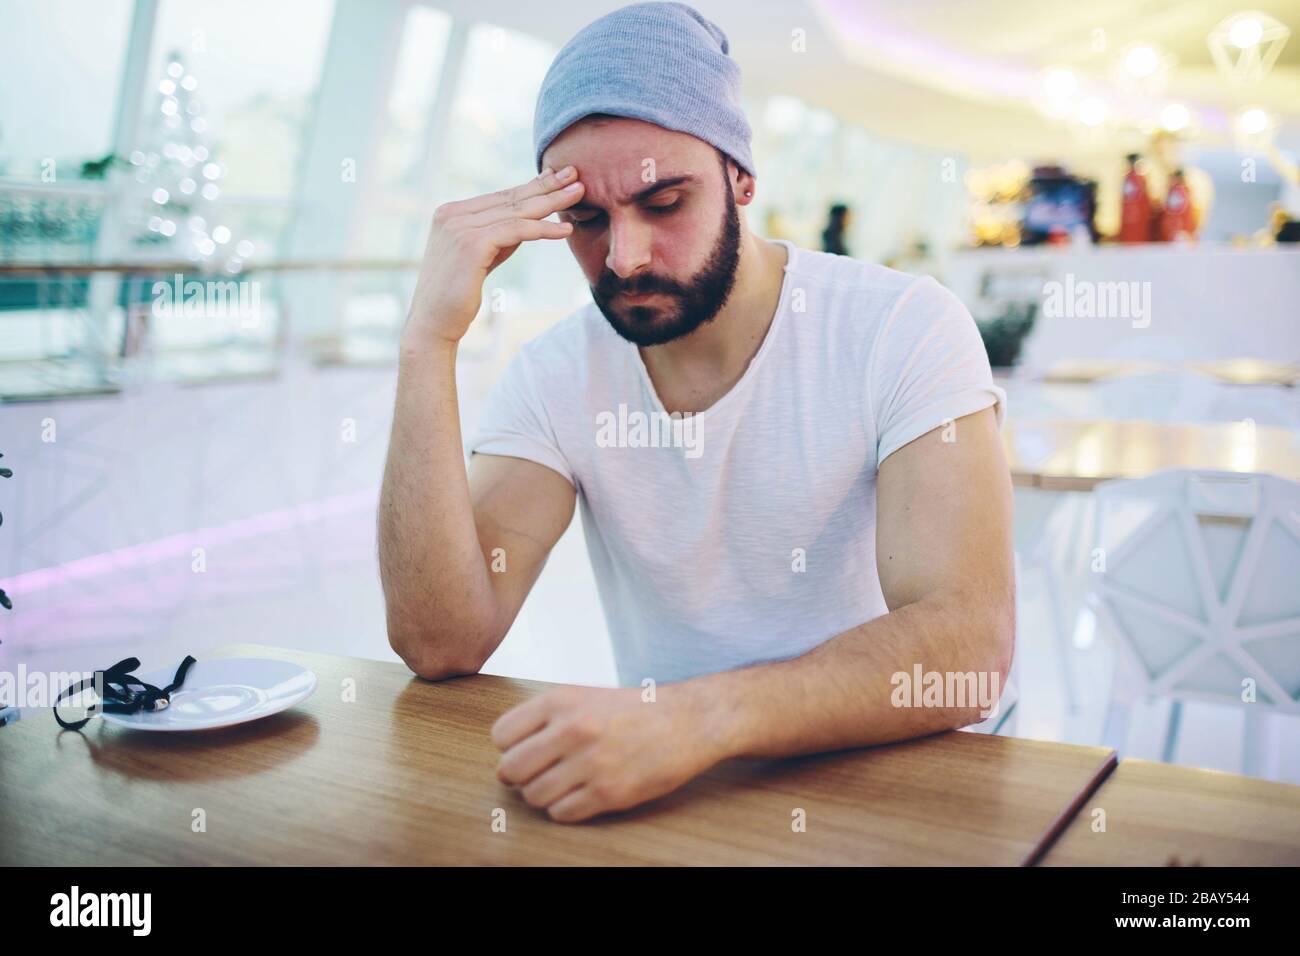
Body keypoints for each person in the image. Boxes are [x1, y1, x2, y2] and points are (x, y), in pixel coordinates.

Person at [378, 1, 1014, 823]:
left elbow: (965, 643)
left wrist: (699, 717)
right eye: (587, 219)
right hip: (682, 793)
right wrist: (427, 341)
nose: (625, 257)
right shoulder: (556, 375)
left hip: (904, 787)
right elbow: (440, 640)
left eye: (665, 202)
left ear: (741, 179)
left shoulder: (900, 326)